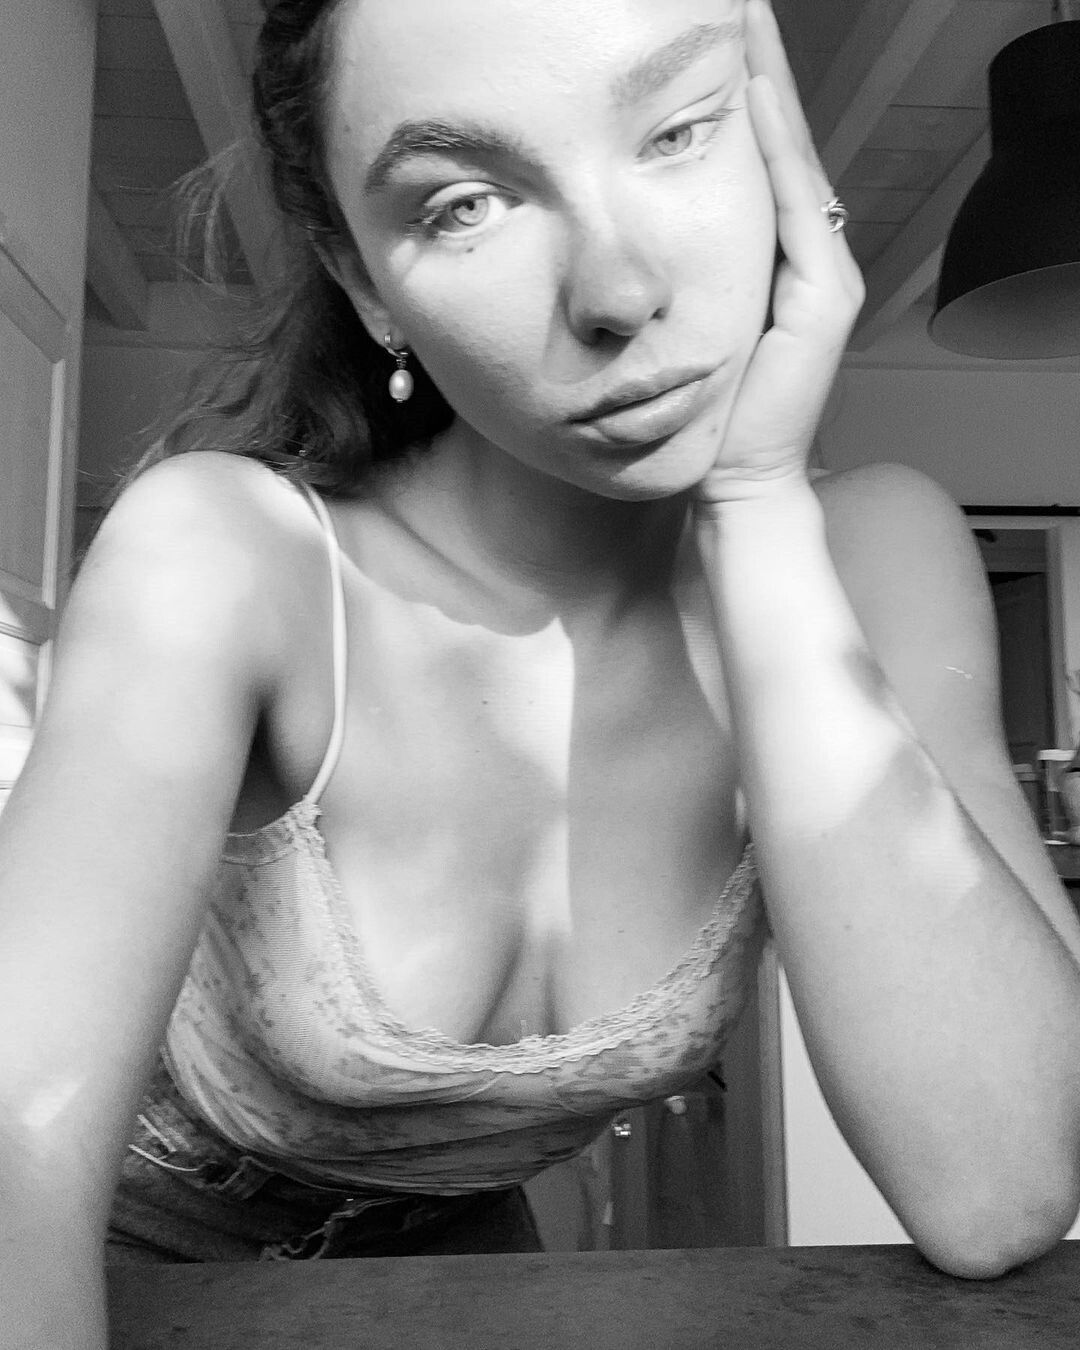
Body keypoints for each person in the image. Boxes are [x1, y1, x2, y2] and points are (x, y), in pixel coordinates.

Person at [4, 0, 1080, 1343]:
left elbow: (999, 1188)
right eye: (464, 204)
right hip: (116, 1266)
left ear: (778, 147)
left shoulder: (871, 550)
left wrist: (754, 507)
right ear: (363, 280)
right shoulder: (228, 557)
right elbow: (16, 1141)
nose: (618, 292)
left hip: (461, 1270)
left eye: (677, 130)